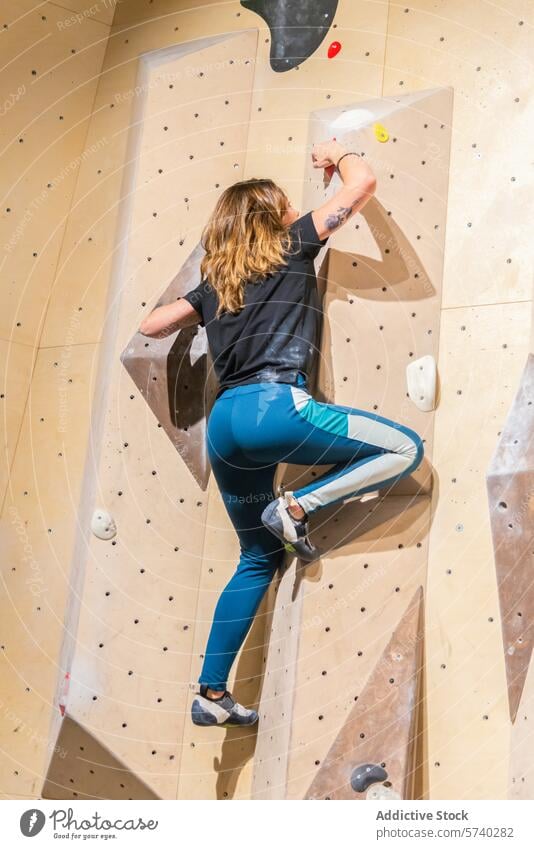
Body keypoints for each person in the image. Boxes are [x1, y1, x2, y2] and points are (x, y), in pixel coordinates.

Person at [139, 139, 424, 728]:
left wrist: (204, 312)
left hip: (225, 429)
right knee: (405, 448)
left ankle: (211, 694)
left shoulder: (216, 285)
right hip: (278, 410)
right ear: (275, 216)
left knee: (256, 558)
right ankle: (298, 505)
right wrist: (338, 153)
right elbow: (362, 185)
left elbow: (152, 323)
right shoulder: (294, 245)